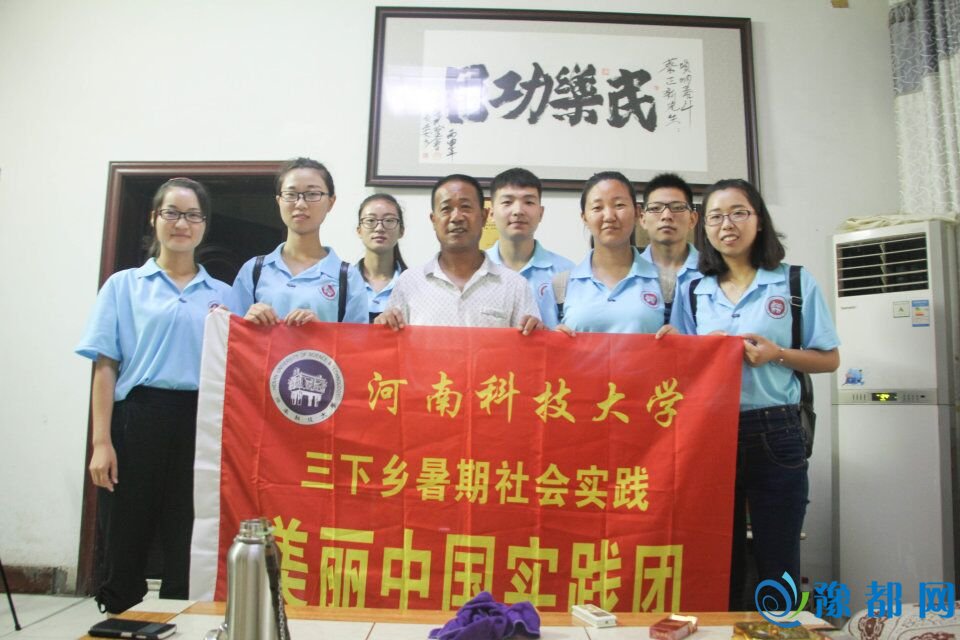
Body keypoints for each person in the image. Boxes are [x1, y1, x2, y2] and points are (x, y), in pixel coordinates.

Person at [671, 178, 840, 610]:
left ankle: (779, 632)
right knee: (717, 561)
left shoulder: (794, 282)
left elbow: (829, 359)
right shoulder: (693, 289)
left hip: (776, 430)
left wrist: (776, 354)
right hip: (711, 435)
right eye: (715, 216)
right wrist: (687, 348)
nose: (727, 224)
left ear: (759, 220)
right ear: (703, 227)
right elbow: (681, 368)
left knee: (778, 559)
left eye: (738, 213)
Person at [75, 177, 231, 613]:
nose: (182, 224)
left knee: (188, 536)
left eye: (193, 215)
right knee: (125, 531)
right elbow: (105, 366)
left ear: (204, 225)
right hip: (137, 418)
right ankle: (121, 616)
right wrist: (101, 443)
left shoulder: (223, 294)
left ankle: (183, 623)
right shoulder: (124, 286)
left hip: (200, 424)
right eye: (172, 213)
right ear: (154, 218)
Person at [376, 174, 541, 333]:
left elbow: (530, 348)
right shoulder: (409, 283)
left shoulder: (515, 286)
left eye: (466, 207)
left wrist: (539, 332)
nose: (456, 217)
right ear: (433, 220)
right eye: (446, 209)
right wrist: (383, 326)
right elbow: (392, 346)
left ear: (484, 217)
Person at [230, 157, 366, 325]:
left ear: (331, 202)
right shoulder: (253, 271)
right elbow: (231, 334)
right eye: (291, 194)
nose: (300, 204)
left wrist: (322, 332)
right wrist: (247, 323)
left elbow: (357, 340)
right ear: (279, 201)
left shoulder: (347, 277)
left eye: (312, 194)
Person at [553, 171, 667, 335]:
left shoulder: (666, 282)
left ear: (637, 212)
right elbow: (546, 344)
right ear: (584, 218)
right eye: (597, 208)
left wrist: (676, 338)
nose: (609, 216)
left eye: (619, 205)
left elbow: (683, 342)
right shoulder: (561, 285)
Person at [485, 168, 574, 328]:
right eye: (507, 202)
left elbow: (576, 333)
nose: (518, 211)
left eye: (528, 202)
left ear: (541, 213)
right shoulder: (477, 270)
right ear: (491, 213)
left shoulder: (567, 273)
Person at [638, 173, 702, 324]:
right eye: (656, 208)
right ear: (643, 219)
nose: (666, 216)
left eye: (677, 208)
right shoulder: (629, 272)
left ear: (692, 219)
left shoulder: (712, 271)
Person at [352, 194, 408, 323]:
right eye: (370, 220)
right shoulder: (343, 282)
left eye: (389, 220)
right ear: (359, 230)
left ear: (401, 231)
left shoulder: (413, 285)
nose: (379, 228)